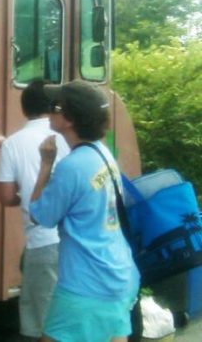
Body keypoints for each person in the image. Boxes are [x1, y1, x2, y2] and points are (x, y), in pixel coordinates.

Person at [30, 80, 140, 342]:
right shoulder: (103, 154)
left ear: (69, 120)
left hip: (86, 285)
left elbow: (39, 215)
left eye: (55, 107)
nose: (50, 111)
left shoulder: (72, 167)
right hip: (120, 275)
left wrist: (45, 165)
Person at [0, 80, 69, 340]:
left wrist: (25, 198)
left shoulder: (12, 143)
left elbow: (5, 196)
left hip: (42, 242)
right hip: (76, 240)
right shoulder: (68, 137)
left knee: (43, 325)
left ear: (24, 108)